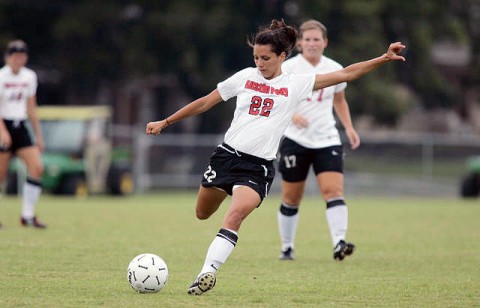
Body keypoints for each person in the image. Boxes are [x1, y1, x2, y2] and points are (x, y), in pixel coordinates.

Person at [146, 19, 406, 295]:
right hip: (225, 158)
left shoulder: (297, 83)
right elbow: (205, 102)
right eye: (256, 57)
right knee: (202, 213)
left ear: (283, 56)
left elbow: (348, 74)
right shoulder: (244, 77)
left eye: (266, 58)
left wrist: (383, 58)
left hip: (257, 169)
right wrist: (166, 121)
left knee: (234, 216)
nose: (260, 62)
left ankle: (206, 273)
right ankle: (213, 261)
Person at [277, 20, 359, 261]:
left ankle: (339, 242)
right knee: (291, 197)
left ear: (325, 42)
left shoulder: (334, 67)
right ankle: (287, 247)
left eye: (316, 39)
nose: (311, 43)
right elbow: (277, 98)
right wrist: (292, 115)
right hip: (295, 140)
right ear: (300, 43)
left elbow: (339, 100)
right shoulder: (289, 68)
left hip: (327, 139)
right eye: (307, 39)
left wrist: (350, 128)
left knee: (333, 191)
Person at [0, 39, 46, 229]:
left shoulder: (29, 76)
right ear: (8, 57)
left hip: (21, 126)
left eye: (22, 56)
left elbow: (31, 107)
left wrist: (38, 135)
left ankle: (27, 215)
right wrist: (2, 132)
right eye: (15, 56)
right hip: (4, 124)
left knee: (37, 168)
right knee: (0, 175)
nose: (19, 60)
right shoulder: (1, 77)